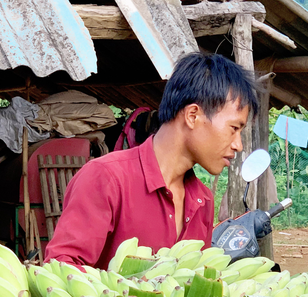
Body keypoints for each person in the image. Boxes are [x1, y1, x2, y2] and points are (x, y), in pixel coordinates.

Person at [44, 52, 258, 269]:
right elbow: (62, 268)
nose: (237, 145)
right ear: (193, 116)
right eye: (234, 128)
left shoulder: (203, 201)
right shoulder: (105, 178)